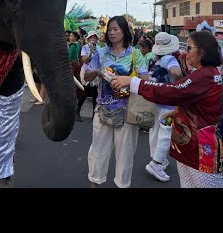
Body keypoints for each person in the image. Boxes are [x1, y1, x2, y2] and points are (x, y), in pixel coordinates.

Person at [111, 30, 223, 188]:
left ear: (202, 51)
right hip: (191, 142)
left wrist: (133, 83)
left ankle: (157, 161)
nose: (185, 53)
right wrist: (178, 111)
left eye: (189, 48)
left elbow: (174, 91)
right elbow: (193, 99)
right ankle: (157, 161)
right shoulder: (206, 73)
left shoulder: (203, 76)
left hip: (200, 146)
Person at [84, 16, 148, 188]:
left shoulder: (135, 54)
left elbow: (146, 82)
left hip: (128, 113)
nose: (111, 33)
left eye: (115, 29)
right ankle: (94, 185)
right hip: (102, 110)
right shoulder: (101, 53)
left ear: (124, 31)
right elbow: (85, 76)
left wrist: (128, 79)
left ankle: (123, 185)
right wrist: (97, 71)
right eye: (109, 29)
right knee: (97, 152)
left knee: (125, 155)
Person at [145, 32, 183, 183]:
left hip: (154, 99)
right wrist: (179, 80)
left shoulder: (152, 59)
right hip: (168, 102)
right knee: (166, 133)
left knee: (154, 131)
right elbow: (176, 72)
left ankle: (156, 157)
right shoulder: (170, 59)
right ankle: (156, 163)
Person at [77, 30, 99, 122]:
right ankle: (77, 111)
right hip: (87, 71)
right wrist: (90, 53)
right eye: (91, 37)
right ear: (88, 39)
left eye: (94, 37)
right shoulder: (85, 47)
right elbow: (84, 60)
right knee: (85, 92)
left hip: (95, 72)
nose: (93, 39)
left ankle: (94, 115)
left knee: (95, 94)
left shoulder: (98, 48)